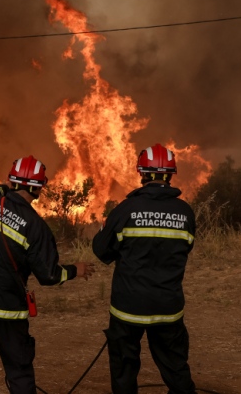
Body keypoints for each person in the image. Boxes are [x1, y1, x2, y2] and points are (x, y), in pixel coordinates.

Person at [0, 155, 94, 394]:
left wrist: (8, 185)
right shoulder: (36, 228)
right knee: (19, 372)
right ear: (39, 188)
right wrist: (75, 270)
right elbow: (49, 276)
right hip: (6, 310)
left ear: (12, 181)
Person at [93, 144, 197, 394]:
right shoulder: (185, 212)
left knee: (124, 369)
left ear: (141, 173)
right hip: (168, 307)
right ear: (170, 175)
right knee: (175, 367)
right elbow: (186, 248)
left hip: (128, 308)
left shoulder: (126, 210)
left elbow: (102, 250)